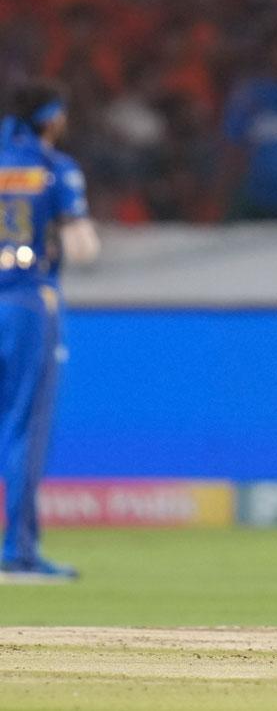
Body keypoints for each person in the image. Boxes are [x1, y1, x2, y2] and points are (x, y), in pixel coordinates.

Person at [0, 79, 100, 581]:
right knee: (23, 427)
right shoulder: (55, 169)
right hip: (25, 305)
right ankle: (17, 552)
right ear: (53, 118)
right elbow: (84, 249)